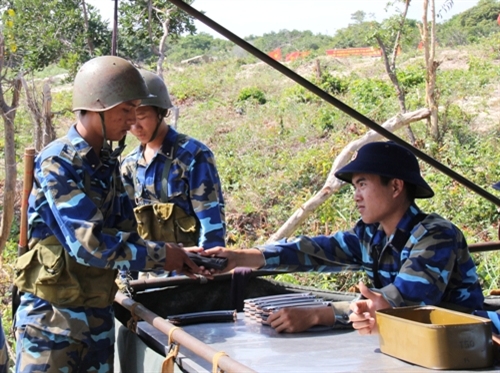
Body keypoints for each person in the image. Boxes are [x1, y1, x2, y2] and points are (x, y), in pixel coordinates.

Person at [13, 56, 203, 372]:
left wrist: (179, 255)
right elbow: (89, 244)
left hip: (97, 321)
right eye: (126, 110)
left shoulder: (106, 163)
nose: (132, 120)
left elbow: (128, 233)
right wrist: (161, 256)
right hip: (53, 326)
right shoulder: (58, 163)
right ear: (98, 105)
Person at [205, 141, 484, 333]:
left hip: (463, 346)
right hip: (408, 345)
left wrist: (317, 315)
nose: (356, 196)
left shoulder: (435, 235)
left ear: (396, 186)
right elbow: (315, 250)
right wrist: (241, 257)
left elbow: (401, 302)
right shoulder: (371, 235)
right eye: (354, 186)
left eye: (363, 184)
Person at [120, 69, 226, 253]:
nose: (135, 127)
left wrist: (208, 267)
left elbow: (211, 225)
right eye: (129, 119)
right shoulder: (130, 165)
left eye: (142, 116)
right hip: (149, 273)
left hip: (191, 270)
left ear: (161, 112)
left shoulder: (193, 156)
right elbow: (127, 227)